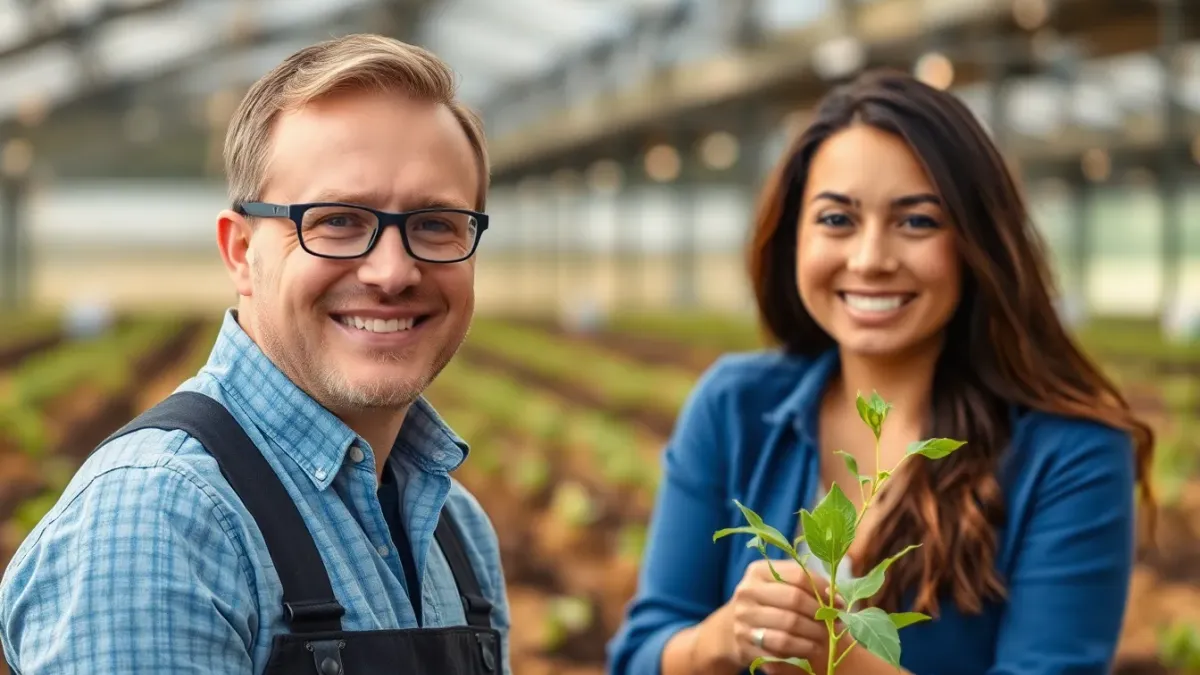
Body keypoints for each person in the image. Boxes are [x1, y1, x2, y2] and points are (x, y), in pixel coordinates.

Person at [606, 69, 1154, 675]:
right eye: (837, 219)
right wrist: (719, 640)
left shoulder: (1070, 451)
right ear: (792, 237)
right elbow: (638, 655)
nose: (870, 260)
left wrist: (836, 657)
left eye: (917, 221)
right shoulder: (735, 406)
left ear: (977, 241)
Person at [0, 34, 511, 675]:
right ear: (241, 252)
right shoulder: (161, 523)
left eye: (436, 223)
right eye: (337, 221)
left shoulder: (455, 530)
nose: (392, 271)